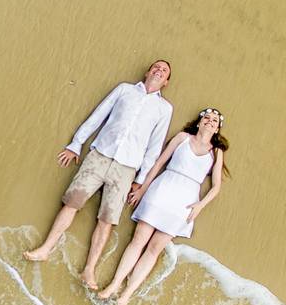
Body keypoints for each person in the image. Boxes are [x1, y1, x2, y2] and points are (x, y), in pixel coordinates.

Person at [23, 60, 174, 289]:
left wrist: (141, 180)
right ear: (147, 71)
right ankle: (45, 249)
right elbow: (98, 115)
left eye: (164, 71)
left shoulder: (164, 109)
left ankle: (89, 271)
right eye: (156, 67)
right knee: (71, 203)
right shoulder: (124, 89)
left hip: (126, 168)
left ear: (166, 81)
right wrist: (76, 144)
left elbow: (155, 146)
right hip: (100, 155)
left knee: (107, 220)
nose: (159, 70)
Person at [98, 107, 229, 305]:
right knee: (138, 240)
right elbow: (159, 163)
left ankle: (127, 294)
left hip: (185, 202)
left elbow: (216, 186)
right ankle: (114, 285)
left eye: (214, 121)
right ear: (199, 122)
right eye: (207, 118)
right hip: (162, 190)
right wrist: (142, 189)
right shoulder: (183, 137)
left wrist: (200, 206)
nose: (210, 122)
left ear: (217, 128)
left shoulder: (216, 152)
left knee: (154, 249)